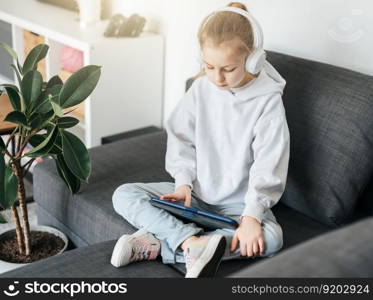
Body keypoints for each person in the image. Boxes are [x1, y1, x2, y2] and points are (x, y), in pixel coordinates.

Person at [110, 2, 290, 278]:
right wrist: (183, 184)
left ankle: (159, 244)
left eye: (228, 68)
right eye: (209, 66)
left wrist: (252, 217)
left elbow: (269, 163)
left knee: (272, 238)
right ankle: (192, 244)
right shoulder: (201, 88)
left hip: (239, 206)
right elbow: (181, 138)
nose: (217, 77)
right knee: (124, 194)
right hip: (194, 196)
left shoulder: (268, 102)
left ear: (253, 59)